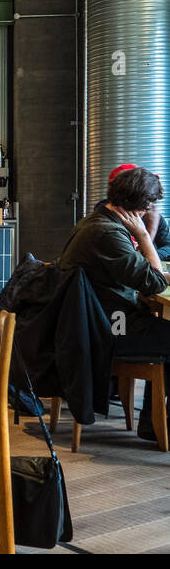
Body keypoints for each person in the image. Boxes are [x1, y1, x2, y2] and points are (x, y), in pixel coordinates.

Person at [60, 165, 170, 440]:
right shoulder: (108, 233)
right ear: (139, 207)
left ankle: (155, 423)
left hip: (97, 321)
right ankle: (157, 425)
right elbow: (156, 282)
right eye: (149, 206)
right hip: (107, 330)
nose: (150, 211)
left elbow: (139, 274)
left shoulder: (97, 221)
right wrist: (144, 236)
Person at [97, 164, 170, 261]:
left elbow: (167, 246)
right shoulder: (108, 226)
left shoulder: (153, 214)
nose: (149, 206)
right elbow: (144, 271)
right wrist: (146, 234)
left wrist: (152, 254)